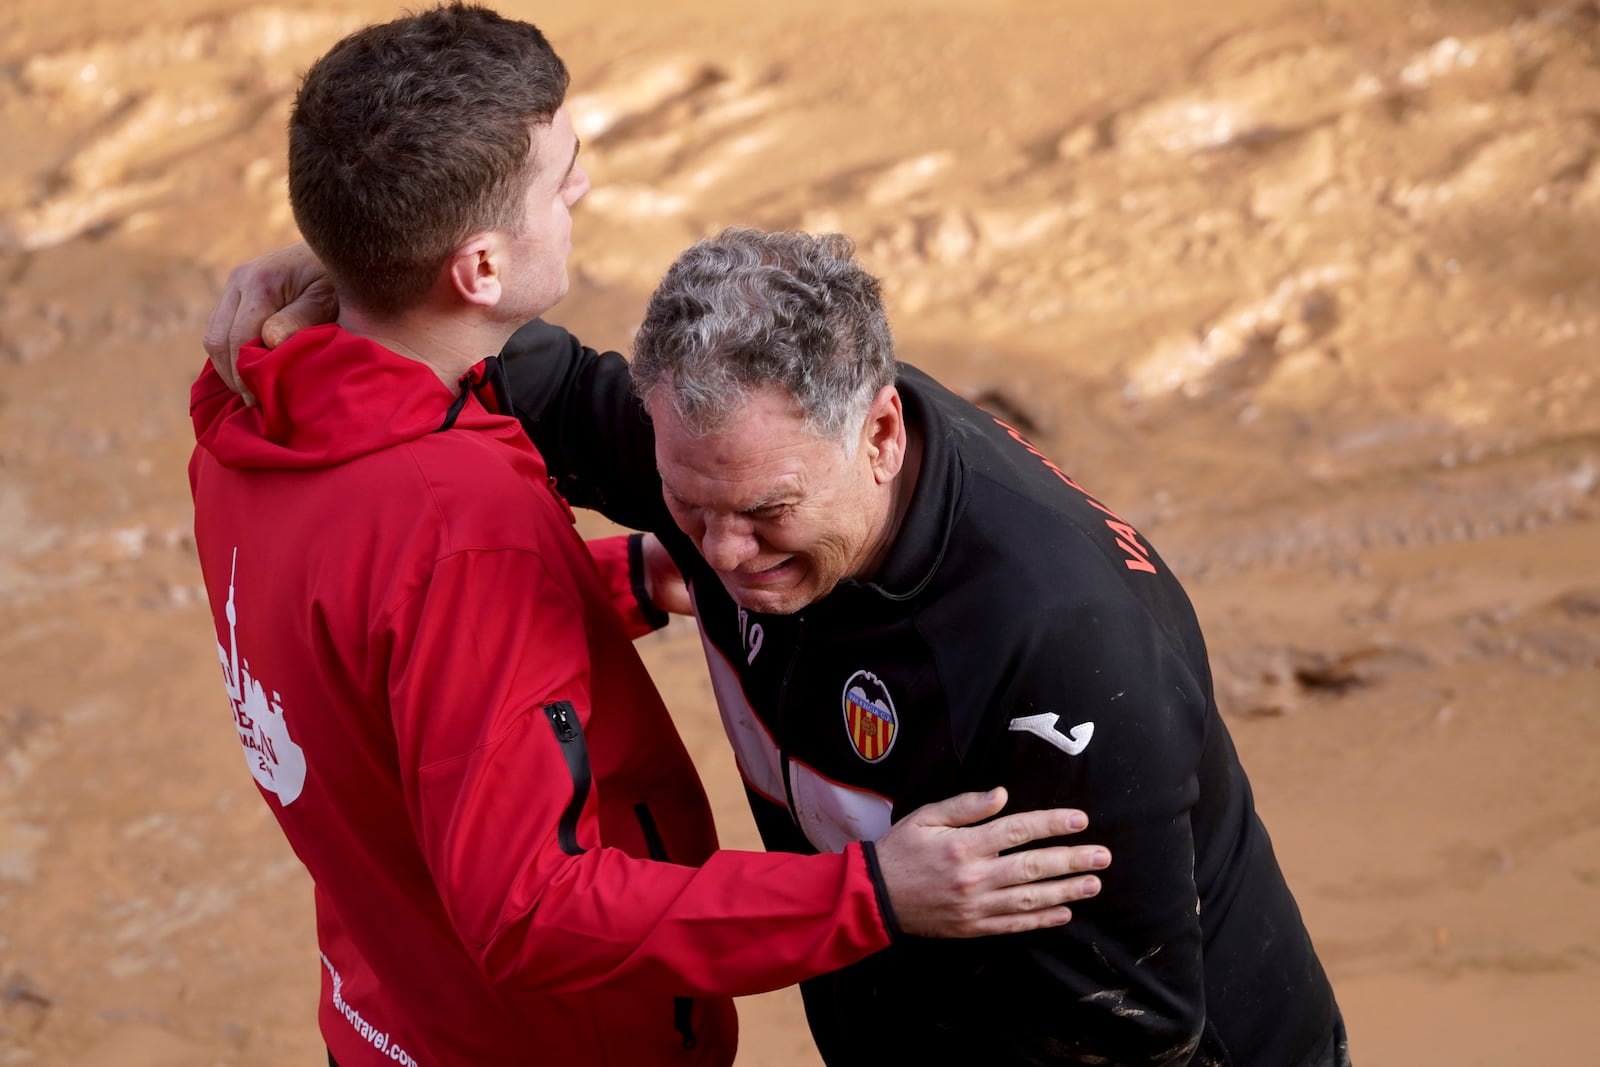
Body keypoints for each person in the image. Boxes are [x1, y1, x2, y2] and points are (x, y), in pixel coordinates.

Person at [188, 10, 1112, 1067]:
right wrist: (870, 893)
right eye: (559, 177)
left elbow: (363, 630)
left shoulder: (247, 412)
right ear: (480, 267)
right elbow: (530, 907)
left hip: (385, 1011)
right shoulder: (460, 529)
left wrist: (626, 572)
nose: (579, 191)